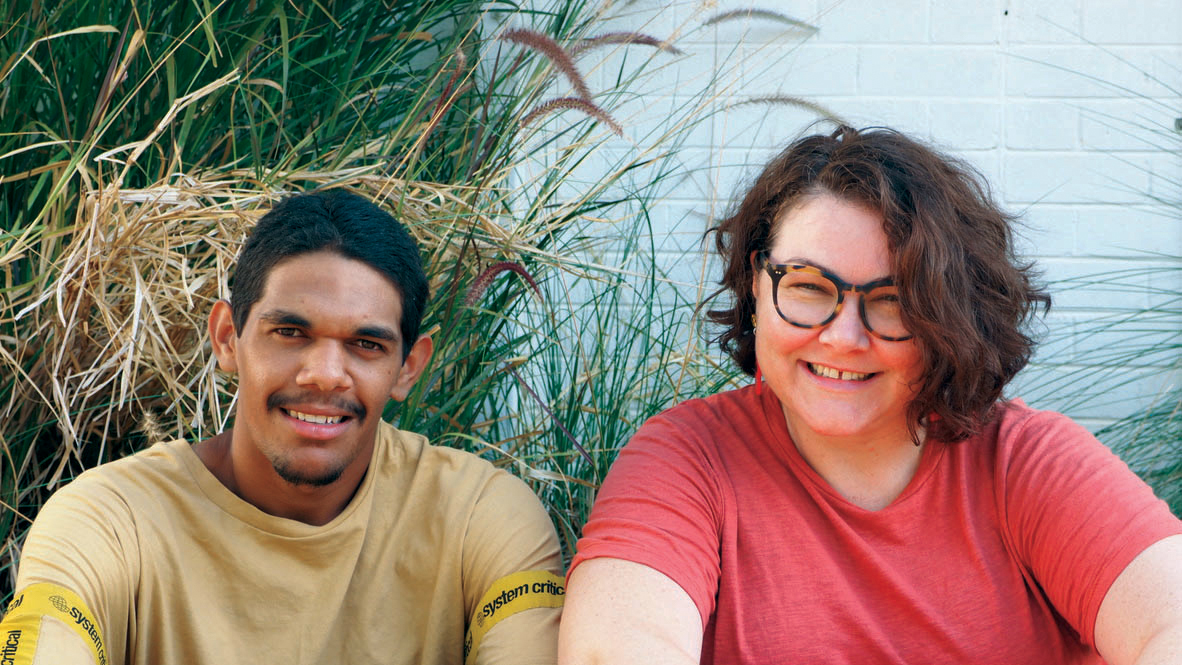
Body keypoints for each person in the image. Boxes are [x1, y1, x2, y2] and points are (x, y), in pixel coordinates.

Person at [559, 126, 1182, 664]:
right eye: (806, 286)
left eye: (890, 301)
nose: (842, 337)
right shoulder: (687, 459)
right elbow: (615, 649)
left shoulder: (1026, 463)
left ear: (948, 318)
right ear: (756, 282)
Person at [1, 189, 564, 665]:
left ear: (408, 367)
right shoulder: (109, 519)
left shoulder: (479, 517)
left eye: (366, 345)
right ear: (227, 338)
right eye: (290, 333)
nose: (325, 376)